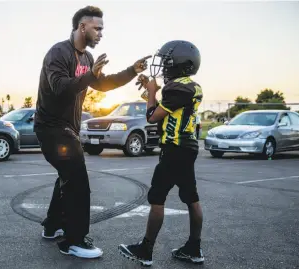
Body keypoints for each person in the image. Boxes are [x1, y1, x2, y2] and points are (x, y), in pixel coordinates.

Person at [33, 5, 150, 259]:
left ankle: (52, 226)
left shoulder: (86, 59)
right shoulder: (58, 53)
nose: (100, 33)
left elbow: (104, 84)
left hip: (69, 129)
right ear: (82, 27)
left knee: (67, 174)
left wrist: (133, 70)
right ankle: (73, 241)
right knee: (77, 180)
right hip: (51, 127)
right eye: (97, 28)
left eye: (102, 29)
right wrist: (89, 76)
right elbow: (59, 88)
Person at [118, 40, 205, 266]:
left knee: (157, 198)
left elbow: (152, 116)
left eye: (167, 63)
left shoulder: (176, 87)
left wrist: (151, 92)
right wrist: (151, 90)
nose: (164, 68)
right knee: (192, 198)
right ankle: (194, 248)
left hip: (174, 149)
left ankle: (145, 250)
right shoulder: (191, 86)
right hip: (188, 148)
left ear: (179, 64)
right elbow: (165, 110)